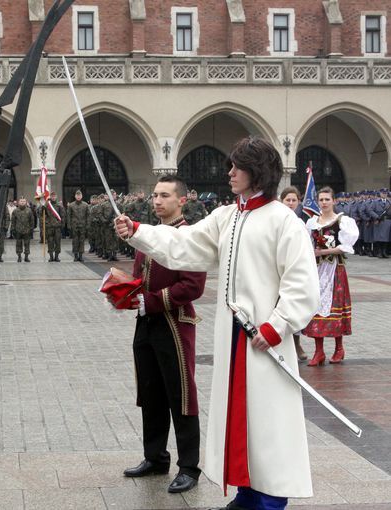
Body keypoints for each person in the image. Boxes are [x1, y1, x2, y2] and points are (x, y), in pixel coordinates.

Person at [115, 137, 320, 510]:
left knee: (268, 422)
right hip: (233, 339)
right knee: (241, 419)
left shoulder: (283, 221)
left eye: (237, 167)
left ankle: (269, 499)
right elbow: (185, 243)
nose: (229, 173)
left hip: (262, 340)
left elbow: (302, 284)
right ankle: (246, 491)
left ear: (256, 171)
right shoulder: (228, 216)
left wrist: (276, 327)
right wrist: (139, 231)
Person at [122, 175, 206, 496]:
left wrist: (152, 300)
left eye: (165, 196)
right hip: (146, 322)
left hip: (174, 323)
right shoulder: (151, 232)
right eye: (155, 195)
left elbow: (192, 286)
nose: (157, 201)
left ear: (181, 200)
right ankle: (155, 457)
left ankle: (189, 467)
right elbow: (140, 274)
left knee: (181, 393)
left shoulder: (191, 235)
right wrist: (125, 292)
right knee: (151, 392)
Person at [302, 187, 359, 367]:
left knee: (335, 306)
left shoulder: (343, 221)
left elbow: (346, 246)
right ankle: (318, 352)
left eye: (327, 199)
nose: (324, 202)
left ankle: (339, 348)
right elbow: (306, 244)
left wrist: (324, 251)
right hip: (317, 270)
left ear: (334, 201)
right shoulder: (312, 223)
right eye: (321, 200)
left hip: (335, 269)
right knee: (316, 306)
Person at [279, 186, 308, 362]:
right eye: (287, 200)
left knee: (294, 307)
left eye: (294, 200)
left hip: (294, 268)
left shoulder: (302, 222)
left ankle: (296, 343)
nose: (290, 203)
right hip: (278, 269)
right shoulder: (276, 220)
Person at [39, 191, 65, 262]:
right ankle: (51, 256)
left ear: (56, 197)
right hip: (49, 227)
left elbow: (63, 216)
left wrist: (62, 225)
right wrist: (42, 208)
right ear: (50, 197)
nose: (53, 197)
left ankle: (56, 257)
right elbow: (41, 215)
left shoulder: (59, 205)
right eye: (52, 196)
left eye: (54, 196)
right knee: (50, 242)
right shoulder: (47, 205)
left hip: (57, 227)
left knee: (57, 242)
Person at [67, 190, 88, 261]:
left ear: (81, 196)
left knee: (82, 241)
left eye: (79, 195)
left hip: (82, 225)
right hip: (74, 226)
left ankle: (81, 255)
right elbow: (69, 216)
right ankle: (76, 256)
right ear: (75, 196)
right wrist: (69, 225)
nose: (78, 196)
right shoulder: (71, 205)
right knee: (75, 241)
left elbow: (88, 216)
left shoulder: (85, 205)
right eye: (77, 195)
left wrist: (87, 225)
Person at [11, 196, 34, 262]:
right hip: (18, 230)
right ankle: (19, 256)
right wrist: (13, 229)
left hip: (27, 230)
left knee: (27, 244)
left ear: (26, 202)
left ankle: (26, 257)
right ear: (18, 202)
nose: (22, 202)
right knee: (18, 244)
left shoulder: (29, 210)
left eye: (24, 201)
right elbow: (13, 221)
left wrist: (31, 229)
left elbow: (32, 221)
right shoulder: (15, 211)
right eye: (21, 201)